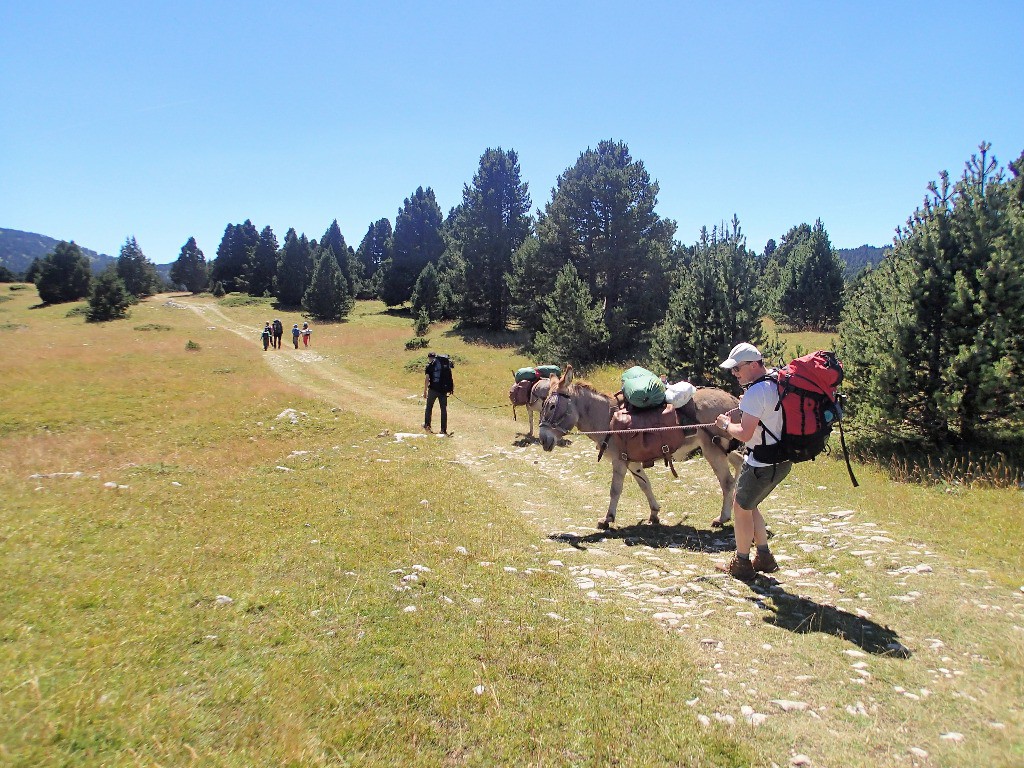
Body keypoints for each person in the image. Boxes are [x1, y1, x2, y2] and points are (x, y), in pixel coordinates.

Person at [713, 342, 791, 581]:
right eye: (733, 370)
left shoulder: (756, 392)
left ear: (754, 364)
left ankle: (742, 562)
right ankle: (764, 557)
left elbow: (745, 434)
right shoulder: (776, 381)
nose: (735, 373)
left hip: (761, 462)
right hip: (783, 459)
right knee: (749, 503)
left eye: (738, 368)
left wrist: (726, 425)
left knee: (740, 507)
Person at [423, 351, 454, 435]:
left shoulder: (430, 366)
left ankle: (427, 426)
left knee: (429, 408)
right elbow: (450, 376)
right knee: (443, 410)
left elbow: (427, 379)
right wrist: (450, 388)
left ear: (429, 357)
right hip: (443, 390)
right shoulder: (445, 365)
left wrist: (425, 391)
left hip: (433, 389)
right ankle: (443, 430)